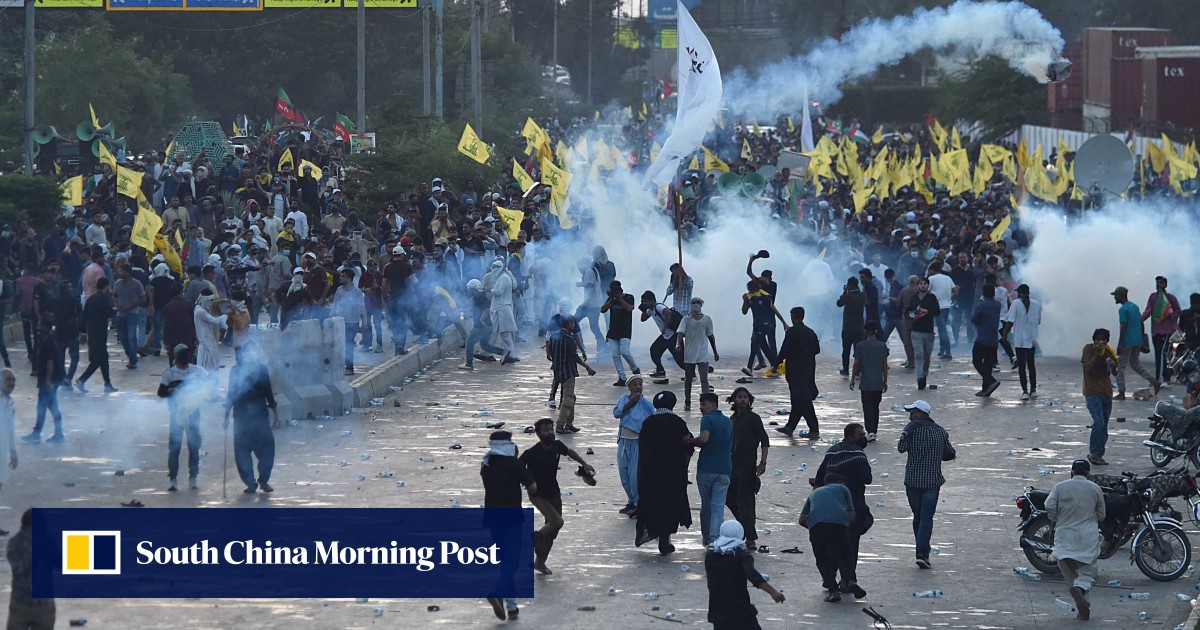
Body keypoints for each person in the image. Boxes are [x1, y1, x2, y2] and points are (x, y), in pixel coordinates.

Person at [519, 418, 596, 575]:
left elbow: (569, 452)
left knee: (552, 532)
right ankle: (535, 537)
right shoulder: (531, 453)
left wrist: (584, 463)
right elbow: (517, 468)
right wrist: (526, 483)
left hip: (554, 492)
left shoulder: (556, 446)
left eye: (551, 429)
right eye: (545, 430)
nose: (549, 432)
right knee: (557, 522)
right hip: (538, 495)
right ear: (538, 434)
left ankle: (539, 563)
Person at [480, 430, 535, 621]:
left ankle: (512, 606)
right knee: (512, 560)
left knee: (504, 560)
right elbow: (533, 486)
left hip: (492, 516)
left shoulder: (486, 464)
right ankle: (498, 592)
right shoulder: (514, 463)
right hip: (511, 516)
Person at [813, 423, 872, 599]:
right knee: (850, 544)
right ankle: (849, 579)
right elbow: (867, 478)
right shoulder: (858, 454)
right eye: (861, 434)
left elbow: (819, 476)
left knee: (831, 544)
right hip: (854, 506)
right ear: (851, 437)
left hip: (831, 508)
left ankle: (831, 579)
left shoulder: (832, 452)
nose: (864, 437)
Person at [897, 399, 956, 569]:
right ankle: (922, 552)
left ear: (920, 413)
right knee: (926, 517)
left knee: (918, 516)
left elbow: (901, 448)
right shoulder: (940, 432)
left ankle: (921, 550)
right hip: (932, 482)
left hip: (913, 481)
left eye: (912, 412)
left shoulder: (910, 429)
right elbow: (950, 453)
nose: (910, 416)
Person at [1045, 458, 1105, 621]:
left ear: (1071, 472)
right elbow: (1101, 515)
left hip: (1065, 535)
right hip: (1087, 535)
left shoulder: (1060, 487)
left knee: (1069, 571)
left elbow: (1049, 505)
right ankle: (1081, 592)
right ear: (1088, 474)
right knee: (1088, 571)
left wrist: (1055, 517)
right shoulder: (1095, 488)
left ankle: (1081, 603)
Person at [634, 391, 693, 555]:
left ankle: (657, 534)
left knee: (654, 503)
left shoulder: (649, 422)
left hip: (650, 473)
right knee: (669, 505)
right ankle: (665, 539)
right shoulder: (678, 422)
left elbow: (643, 447)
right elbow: (687, 443)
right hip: (673, 473)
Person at [704, 519, 785, 630]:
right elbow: (753, 575)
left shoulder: (711, 555)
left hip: (718, 611)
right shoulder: (741, 555)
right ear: (741, 536)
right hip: (739, 610)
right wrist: (773, 592)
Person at [223, 342, 280, 494]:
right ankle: (250, 483)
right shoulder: (235, 371)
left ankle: (263, 480)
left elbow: (269, 393)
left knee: (267, 449)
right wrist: (226, 417)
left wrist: (276, 415)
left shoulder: (261, 370)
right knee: (242, 452)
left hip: (260, 417)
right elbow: (231, 394)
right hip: (241, 418)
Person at [799, 472, 857, 603]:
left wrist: (816, 528)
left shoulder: (814, 493)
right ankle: (848, 580)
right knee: (846, 554)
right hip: (838, 525)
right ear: (840, 482)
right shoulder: (843, 488)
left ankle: (833, 590)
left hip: (816, 526)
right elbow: (852, 515)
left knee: (822, 560)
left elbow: (802, 520)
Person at [157, 345, 207, 491]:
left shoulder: (197, 371)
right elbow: (161, 392)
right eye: (183, 354)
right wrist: (169, 390)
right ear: (177, 357)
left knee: (194, 447)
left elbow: (211, 381)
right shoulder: (169, 374)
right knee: (175, 448)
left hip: (193, 414)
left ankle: (193, 478)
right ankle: (173, 479)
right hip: (176, 415)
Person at [726, 387, 769, 551]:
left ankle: (750, 537)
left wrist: (763, 462)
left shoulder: (753, 418)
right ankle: (744, 527)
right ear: (734, 400)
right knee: (729, 498)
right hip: (731, 467)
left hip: (748, 468)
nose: (742, 400)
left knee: (747, 503)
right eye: (739, 397)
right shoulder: (732, 420)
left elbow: (764, 440)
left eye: (745, 397)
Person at [686, 392, 732, 545]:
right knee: (718, 507)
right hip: (724, 469)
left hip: (706, 469)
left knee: (706, 506)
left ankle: (707, 539)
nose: (701, 408)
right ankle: (715, 538)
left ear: (713, 404)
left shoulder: (707, 419)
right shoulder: (728, 421)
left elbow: (704, 439)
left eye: (704, 404)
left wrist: (689, 441)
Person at [775, 307, 821, 439]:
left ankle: (814, 429)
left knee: (802, 399)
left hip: (795, 370)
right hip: (808, 369)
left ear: (793, 316)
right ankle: (790, 427)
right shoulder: (810, 332)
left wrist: (775, 364)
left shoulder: (792, 332)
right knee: (798, 399)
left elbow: (784, 350)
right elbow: (817, 350)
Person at [612, 375, 654, 515]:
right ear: (629, 387)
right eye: (635, 384)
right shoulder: (623, 399)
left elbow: (651, 422)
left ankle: (639, 504)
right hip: (623, 442)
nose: (638, 387)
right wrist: (631, 403)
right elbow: (617, 413)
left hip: (637, 443)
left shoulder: (647, 404)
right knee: (624, 475)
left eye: (640, 384)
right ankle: (632, 501)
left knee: (634, 475)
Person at [7, 508, 54, 630]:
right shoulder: (15, 543)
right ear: (29, 527)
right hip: (21, 605)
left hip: (44, 605)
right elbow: (18, 569)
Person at [548, 314, 595, 434]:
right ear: (569, 323)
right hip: (568, 371)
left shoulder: (554, 336)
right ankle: (560, 425)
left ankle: (569, 424)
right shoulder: (569, 339)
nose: (574, 325)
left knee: (572, 397)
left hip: (558, 371)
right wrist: (587, 367)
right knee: (568, 399)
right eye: (573, 323)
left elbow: (549, 348)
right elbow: (575, 357)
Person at [21, 318, 63, 444]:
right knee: (52, 406)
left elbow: (50, 362)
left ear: (46, 326)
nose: (38, 326)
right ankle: (58, 433)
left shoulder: (47, 342)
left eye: (40, 324)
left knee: (42, 406)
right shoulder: (49, 338)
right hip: (53, 378)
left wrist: (48, 380)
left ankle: (37, 433)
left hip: (49, 379)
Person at [1113, 286, 1158, 400]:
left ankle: (1121, 392)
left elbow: (1123, 327)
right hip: (1137, 341)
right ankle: (1154, 381)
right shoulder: (1135, 307)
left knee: (1120, 367)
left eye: (1116, 295)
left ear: (1121, 295)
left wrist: (1120, 344)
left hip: (1127, 341)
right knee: (1135, 364)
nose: (1114, 297)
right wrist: (1141, 338)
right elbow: (1141, 322)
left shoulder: (1123, 310)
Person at [75, 277, 118, 394]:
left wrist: (83, 332)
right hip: (100, 332)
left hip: (92, 332)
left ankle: (107, 384)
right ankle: (81, 380)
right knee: (97, 360)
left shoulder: (91, 299)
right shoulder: (104, 299)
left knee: (103, 358)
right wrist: (117, 309)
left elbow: (83, 317)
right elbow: (110, 312)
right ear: (106, 286)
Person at [1082, 328, 1116, 466]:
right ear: (1094, 340)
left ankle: (1099, 454)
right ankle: (1094, 452)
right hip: (1092, 391)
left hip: (1106, 392)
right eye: (1098, 339)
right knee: (1098, 422)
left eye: (1104, 339)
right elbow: (1087, 368)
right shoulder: (1088, 349)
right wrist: (1096, 354)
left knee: (1104, 426)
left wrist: (1113, 366)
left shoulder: (1109, 352)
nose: (1100, 342)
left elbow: (1115, 371)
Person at [677, 297, 718, 411]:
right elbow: (680, 332)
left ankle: (706, 402)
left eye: (698, 303)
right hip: (689, 353)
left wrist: (715, 351)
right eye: (693, 303)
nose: (696, 305)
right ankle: (687, 401)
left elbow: (710, 336)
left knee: (704, 380)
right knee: (688, 379)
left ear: (701, 305)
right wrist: (678, 344)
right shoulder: (686, 319)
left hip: (702, 354)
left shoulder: (707, 319)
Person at [849, 322, 888, 441]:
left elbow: (856, 364)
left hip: (865, 384)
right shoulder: (882, 346)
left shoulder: (860, 346)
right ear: (876, 332)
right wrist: (885, 381)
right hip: (877, 383)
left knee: (867, 408)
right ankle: (873, 431)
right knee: (875, 407)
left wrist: (852, 379)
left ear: (865, 332)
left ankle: (870, 430)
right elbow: (885, 365)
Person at [740, 280, 787, 379]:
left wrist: (783, 323)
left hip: (766, 325)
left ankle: (749, 367)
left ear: (757, 289)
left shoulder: (766, 297)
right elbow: (744, 311)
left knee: (754, 343)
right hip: (756, 325)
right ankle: (775, 367)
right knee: (764, 347)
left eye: (751, 290)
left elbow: (774, 310)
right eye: (748, 290)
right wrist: (745, 301)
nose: (750, 292)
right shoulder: (750, 298)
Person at [1004, 284, 1042, 400]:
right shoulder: (1036, 304)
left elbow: (1010, 321)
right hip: (1032, 339)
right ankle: (1033, 390)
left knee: (1022, 366)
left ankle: (1025, 391)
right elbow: (1039, 321)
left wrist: (1005, 335)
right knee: (1031, 365)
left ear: (1019, 293)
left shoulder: (1015, 303)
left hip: (1020, 340)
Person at [1142, 276, 1182, 383]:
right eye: (1157, 283)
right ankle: (1162, 377)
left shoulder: (1170, 298)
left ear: (1165, 284)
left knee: (1163, 354)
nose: (1158, 285)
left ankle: (1161, 378)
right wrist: (1140, 319)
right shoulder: (1153, 297)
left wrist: (1170, 316)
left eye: (1161, 283)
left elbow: (1178, 311)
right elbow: (1148, 310)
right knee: (1158, 354)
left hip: (1168, 330)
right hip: (1156, 331)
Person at [639, 291, 684, 384]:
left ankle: (691, 373)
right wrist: (643, 309)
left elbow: (668, 313)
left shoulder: (658, 306)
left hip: (672, 336)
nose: (644, 303)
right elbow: (642, 319)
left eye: (645, 301)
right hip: (665, 336)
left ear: (652, 300)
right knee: (654, 350)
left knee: (679, 358)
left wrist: (665, 327)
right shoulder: (650, 310)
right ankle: (660, 370)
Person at [600, 281, 640, 386]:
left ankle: (635, 369)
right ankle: (622, 377)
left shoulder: (629, 297)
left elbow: (629, 308)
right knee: (615, 355)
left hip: (625, 330)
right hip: (613, 331)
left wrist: (620, 298)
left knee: (624, 352)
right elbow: (602, 310)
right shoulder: (611, 299)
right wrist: (611, 301)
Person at [329, 268, 366, 376]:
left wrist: (364, 321)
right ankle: (342, 365)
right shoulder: (339, 290)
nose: (340, 278)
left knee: (348, 343)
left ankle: (349, 367)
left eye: (343, 276)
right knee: (340, 344)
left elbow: (362, 307)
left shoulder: (357, 292)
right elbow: (335, 304)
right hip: (339, 322)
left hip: (352, 322)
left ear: (349, 278)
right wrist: (331, 317)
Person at [906, 277, 940, 390]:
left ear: (928, 285)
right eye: (920, 284)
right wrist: (913, 313)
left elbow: (937, 311)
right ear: (918, 285)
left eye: (925, 284)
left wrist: (927, 311)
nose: (922, 286)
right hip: (916, 330)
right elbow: (908, 312)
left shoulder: (932, 297)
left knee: (927, 355)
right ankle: (919, 377)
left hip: (928, 331)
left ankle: (924, 375)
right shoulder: (913, 298)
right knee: (919, 354)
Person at [970, 284, 1002, 397]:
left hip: (982, 339)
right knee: (987, 364)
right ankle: (985, 389)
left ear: (983, 293)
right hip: (993, 340)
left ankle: (991, 381)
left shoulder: (982, 305)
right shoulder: (998, 305)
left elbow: (974, 319)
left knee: (977, 362)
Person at [836, 277, 866, 376]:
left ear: (848, 285)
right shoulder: (862, 295)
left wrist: (845, 292)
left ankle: (845, 370)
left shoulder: (847, 296)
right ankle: (858, 370)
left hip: (847, 328)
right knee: (858, 351)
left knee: (846, 351)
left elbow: (839, 304)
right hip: (859, 328)